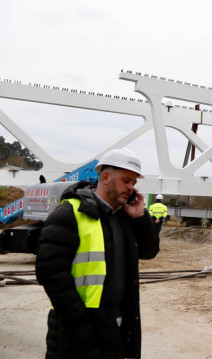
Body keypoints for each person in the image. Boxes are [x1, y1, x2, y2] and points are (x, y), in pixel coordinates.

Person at [35, 148, 160, 359]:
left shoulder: (126, 216)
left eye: (133, 183)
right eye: (126, 180)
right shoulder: (70, 213)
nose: (131, 188)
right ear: (105, 177)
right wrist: (78, 319)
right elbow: (49, 272)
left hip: (118, 325)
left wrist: (140, 218)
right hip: (78, 327)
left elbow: (149, 251)